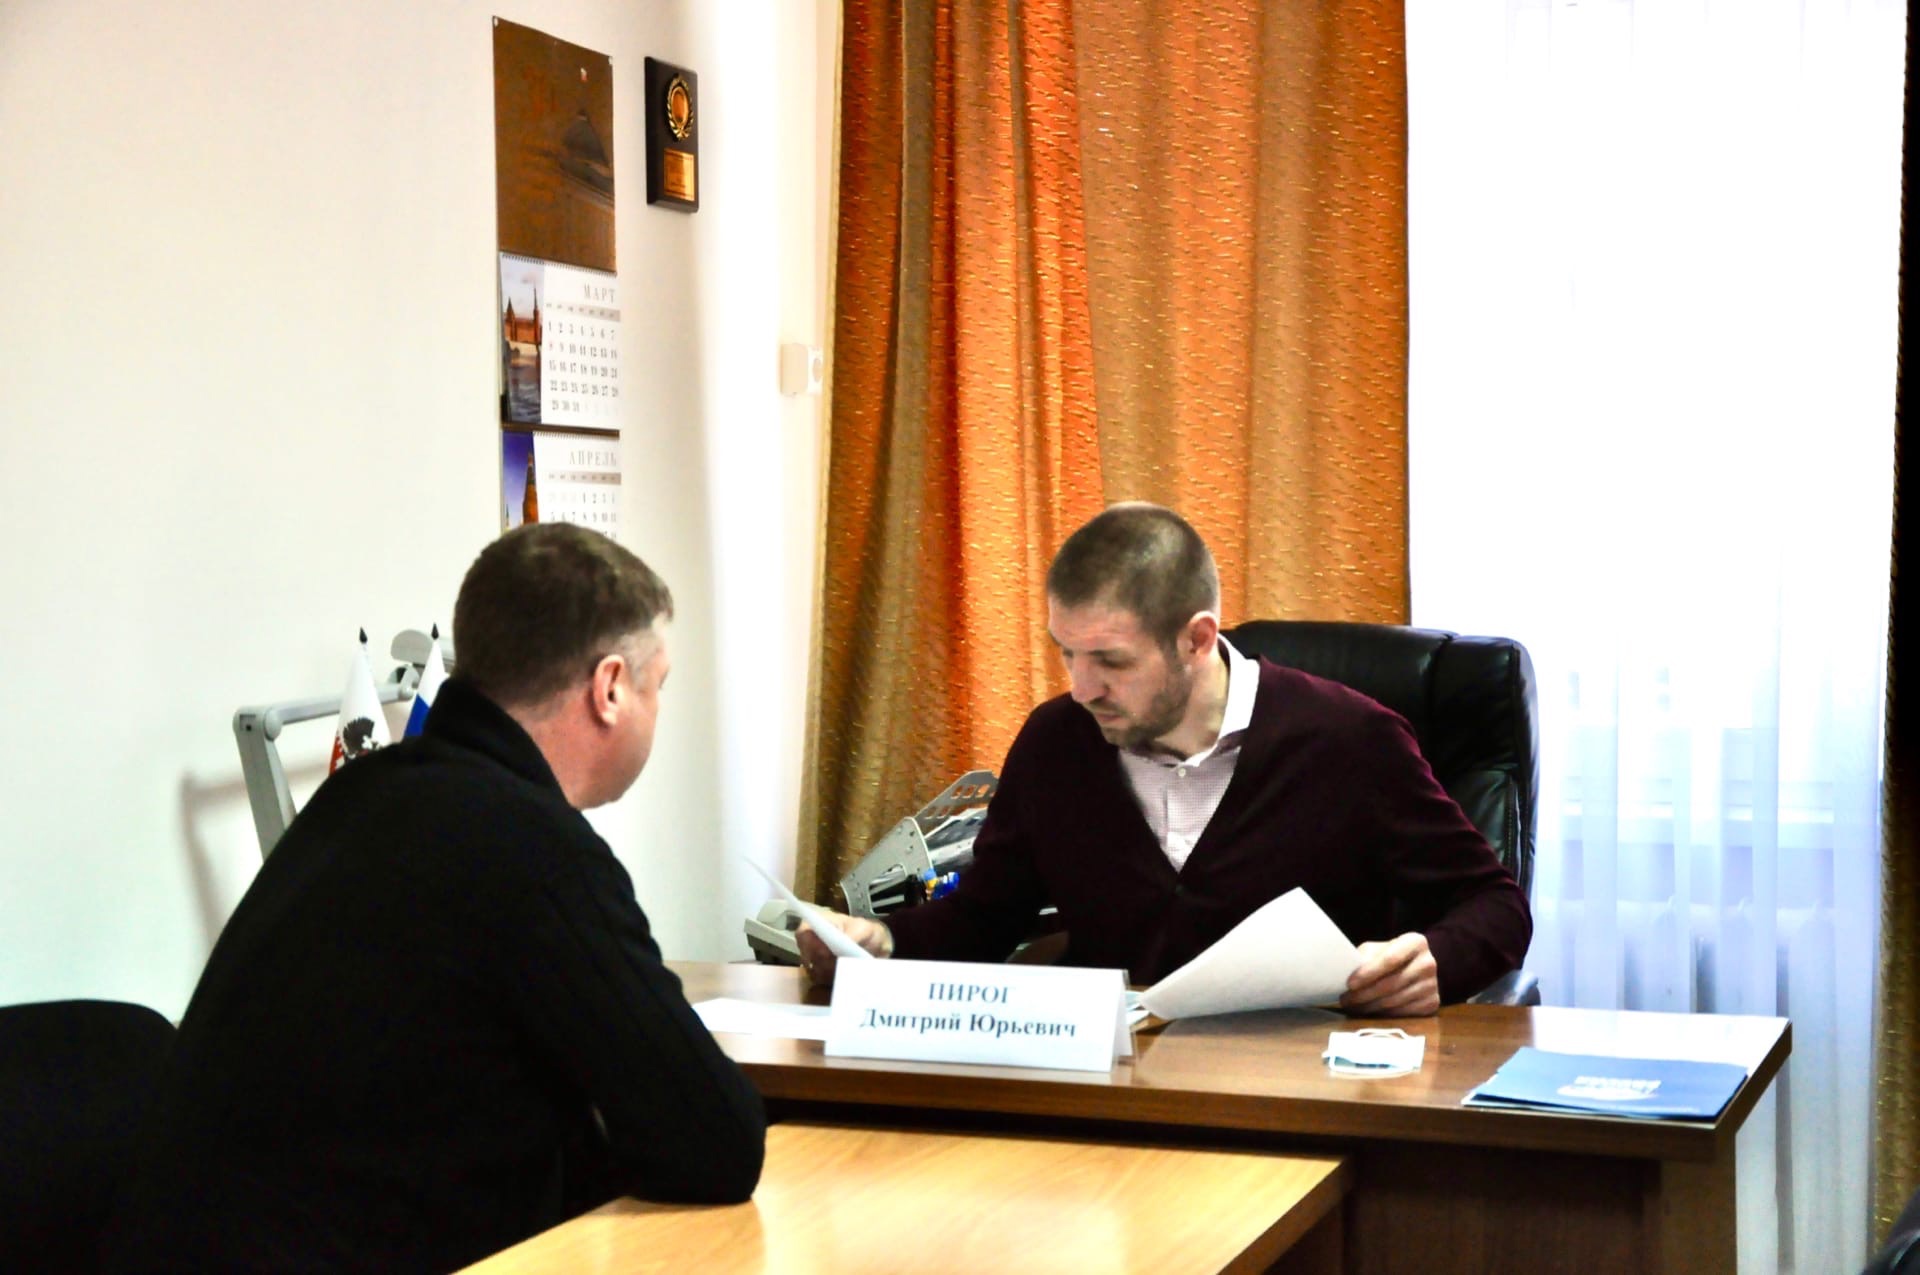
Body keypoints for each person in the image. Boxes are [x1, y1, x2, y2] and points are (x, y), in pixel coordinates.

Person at [105, 524, 765, 1273]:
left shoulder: (360, 793)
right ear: (610, 687)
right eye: (658, 684)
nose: (658, 705)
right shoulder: (532, 847)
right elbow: (715, 1142)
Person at [798, 503, 1531, 1016]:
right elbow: (987, 916)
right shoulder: (1057, 742)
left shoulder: (1350, 740)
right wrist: (881, 941)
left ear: (1196, 639)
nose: (1082, 688)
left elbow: (1495, 906)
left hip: (1299, 1085)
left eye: (1111, 661)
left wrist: (1435, 958)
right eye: (1067, 653)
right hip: (1110, 1083)